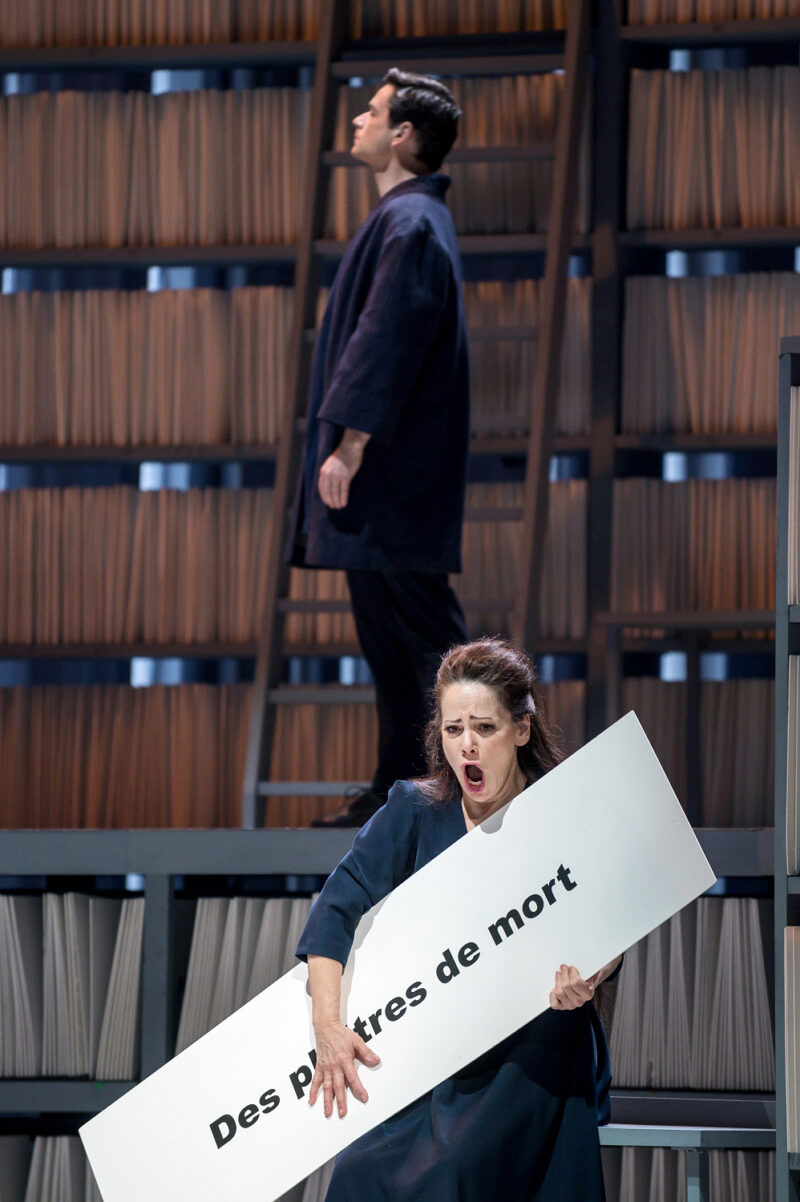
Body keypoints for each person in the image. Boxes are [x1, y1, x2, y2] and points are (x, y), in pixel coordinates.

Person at [296, 638, 623, 1201]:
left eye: (484, 729)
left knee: (451, 1176)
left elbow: (611, 923)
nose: (467, 746)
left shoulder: (564, 809)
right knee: (357, 1177)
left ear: (521, 730)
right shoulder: (416, 810)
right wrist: (328, 1026)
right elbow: (335, 909)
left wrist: (590, 977)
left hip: (531, 1055)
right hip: (432, 1055)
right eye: (453, 730)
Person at [287, 69, 470, 827]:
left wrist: (351, 443)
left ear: (402, 135)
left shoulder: (413, 225)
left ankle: (483, 782)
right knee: (395, 649)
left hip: (392, 473)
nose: (358, 121)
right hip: (389, 477)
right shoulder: (405, 219)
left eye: (372, 112)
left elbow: (387, 338)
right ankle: (402, 789)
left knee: (427, 643)